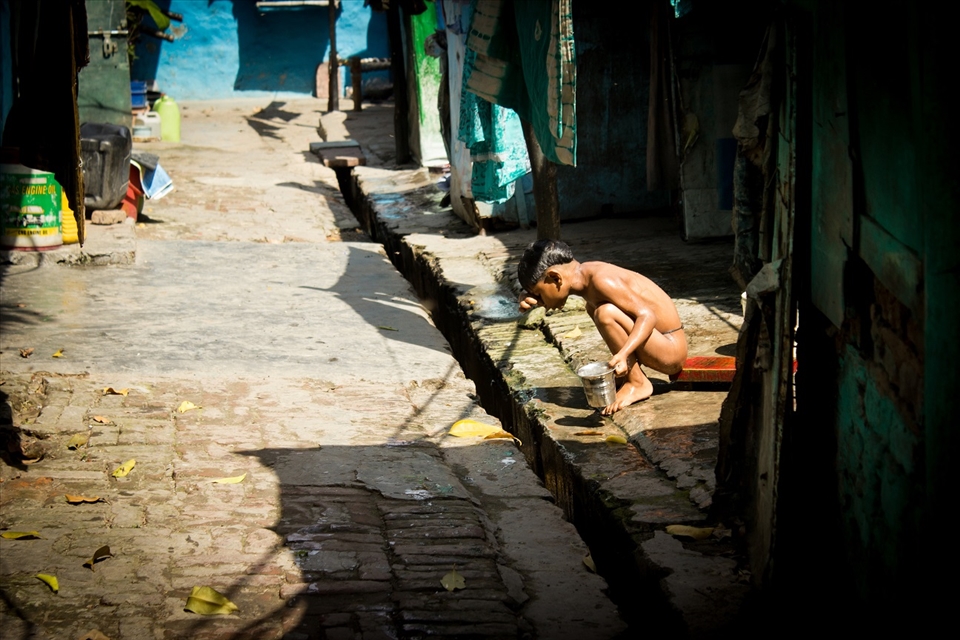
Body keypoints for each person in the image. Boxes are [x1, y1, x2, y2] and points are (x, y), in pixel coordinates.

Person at [517, 239, 687, 414]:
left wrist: (623, 354)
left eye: (539, 294)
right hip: (659, 342)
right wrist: (528, 294)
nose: (541, 302)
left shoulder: (601, 280)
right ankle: (632, 375)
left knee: (605, 313)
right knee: (596, 309)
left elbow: (647, 316)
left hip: (671, 349)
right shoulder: (584, 276)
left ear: (555, 277)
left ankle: (637, 383)